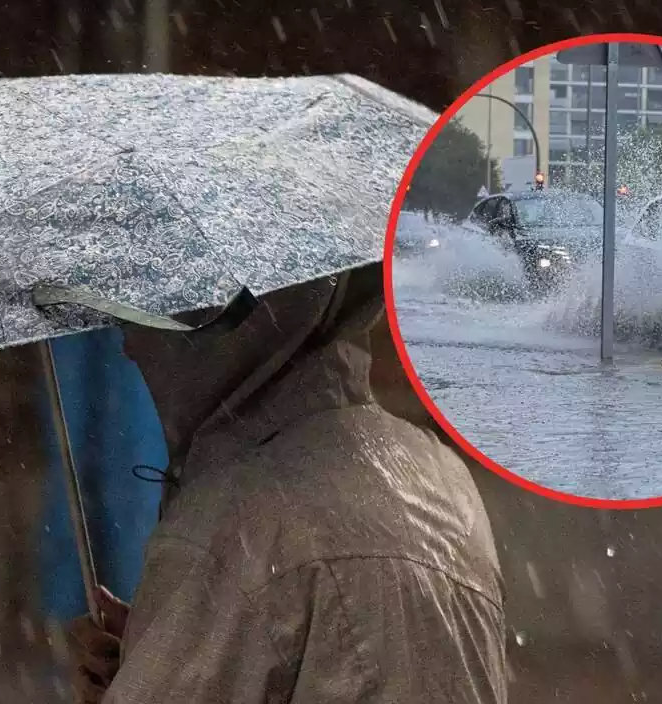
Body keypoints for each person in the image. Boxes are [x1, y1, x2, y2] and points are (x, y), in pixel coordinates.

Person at [68, 264, 507, 702]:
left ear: (223, 326)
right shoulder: (436, 470)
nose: (129, 347)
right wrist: (166, 649)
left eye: (153, 316)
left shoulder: (232, 521)